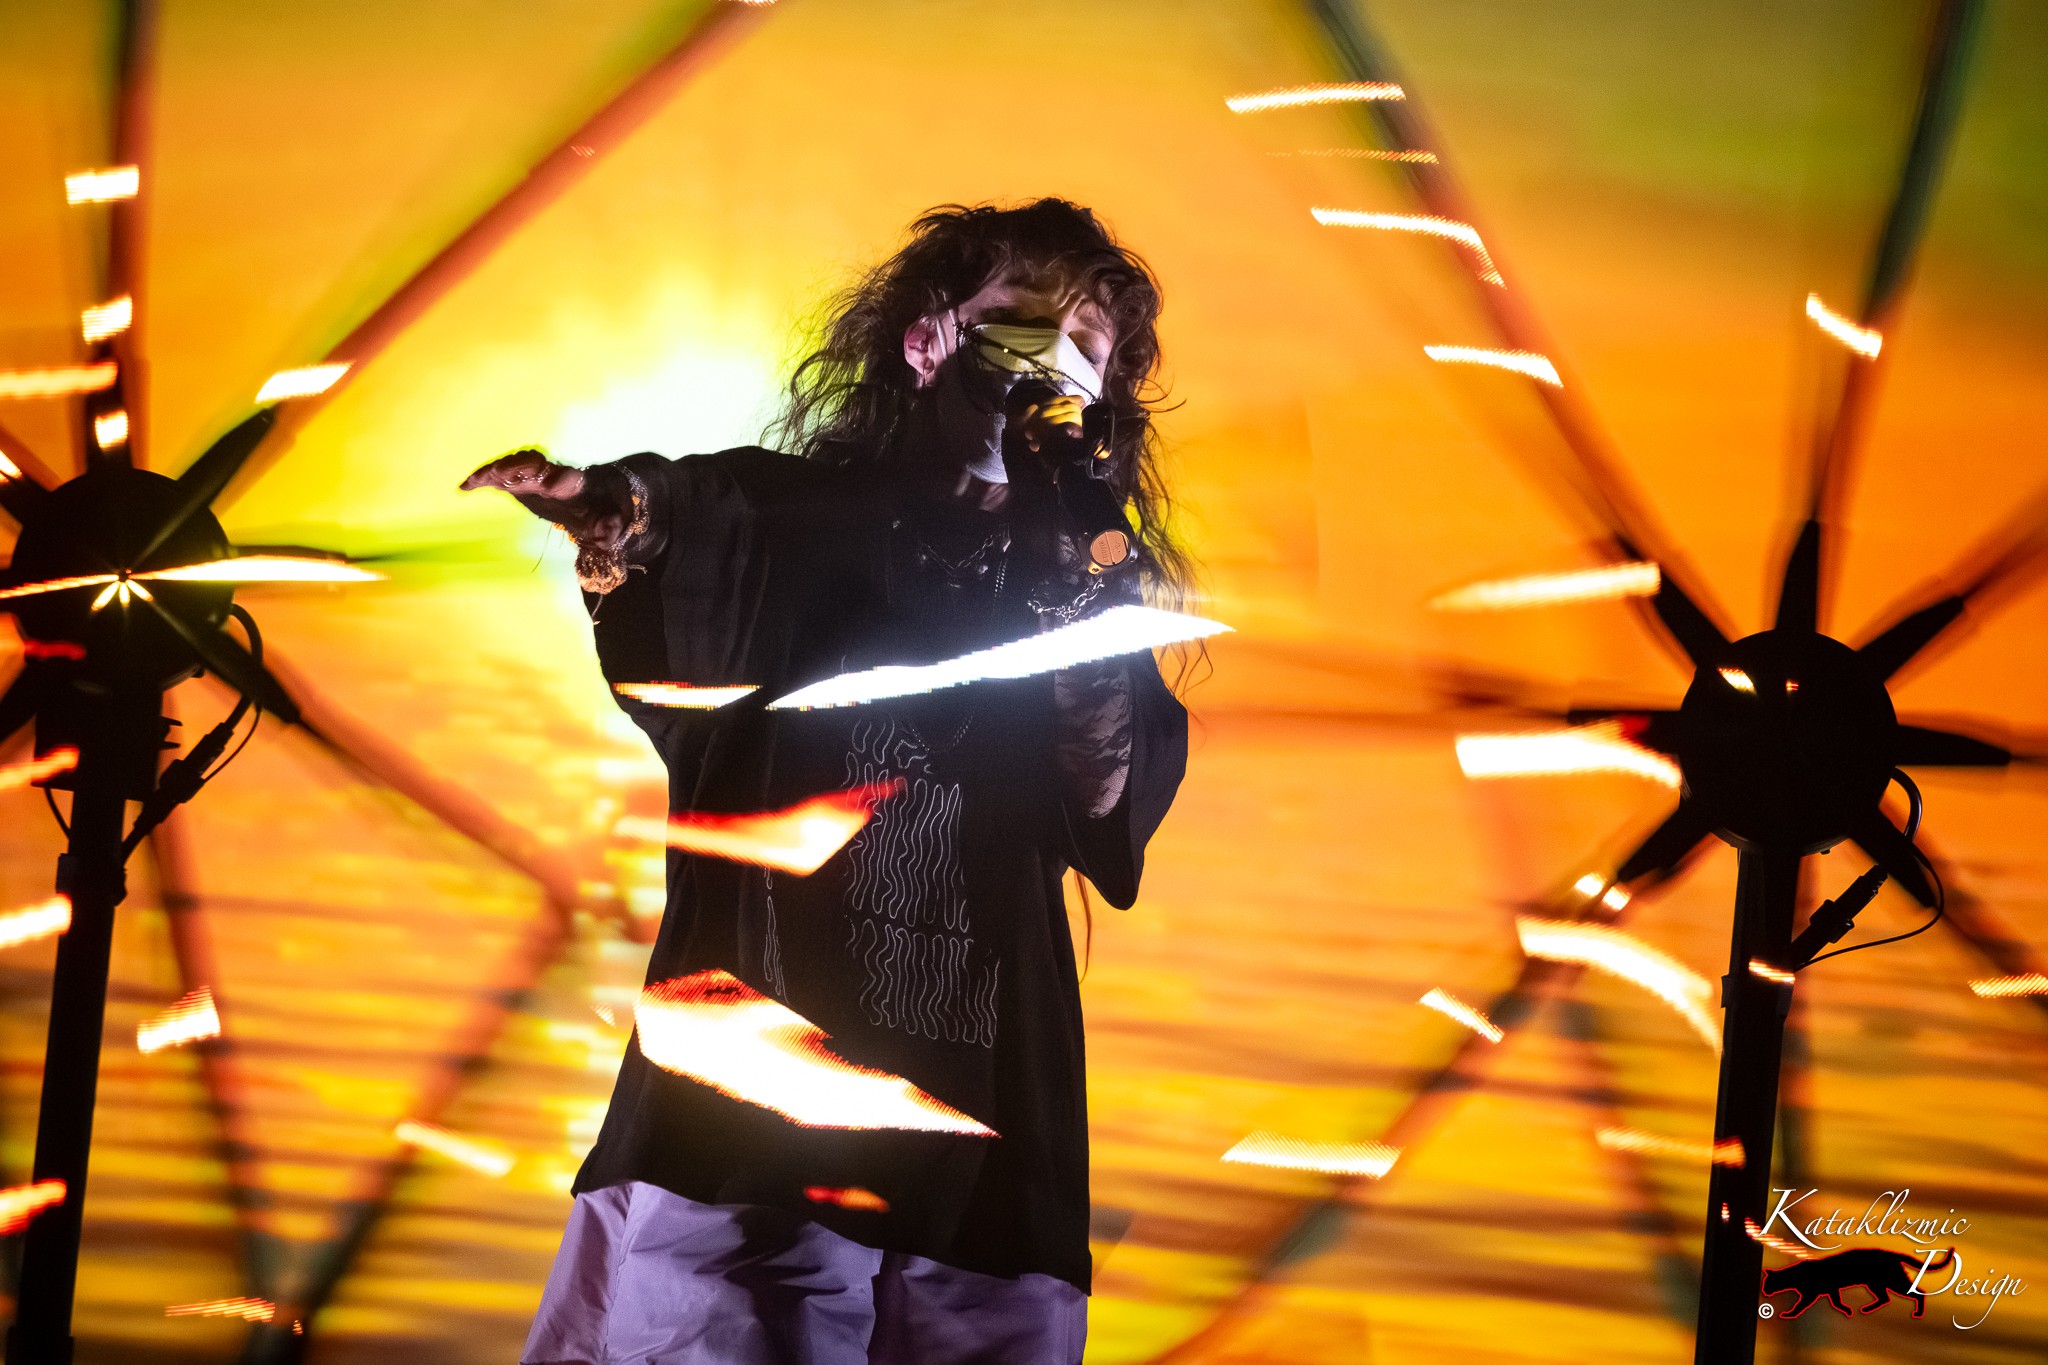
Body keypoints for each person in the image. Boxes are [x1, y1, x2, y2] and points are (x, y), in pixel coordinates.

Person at [465, 199, 1193, 1365]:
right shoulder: (789, 518)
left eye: (1084, 349)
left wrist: (1080, 586)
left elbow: (1104, 799)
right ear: (924, 343)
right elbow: (680, 515)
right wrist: (611, 514)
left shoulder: (1080, 597)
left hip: (993, 1190)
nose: (1047, 360)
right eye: (1013, 323)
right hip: (742, 1152)